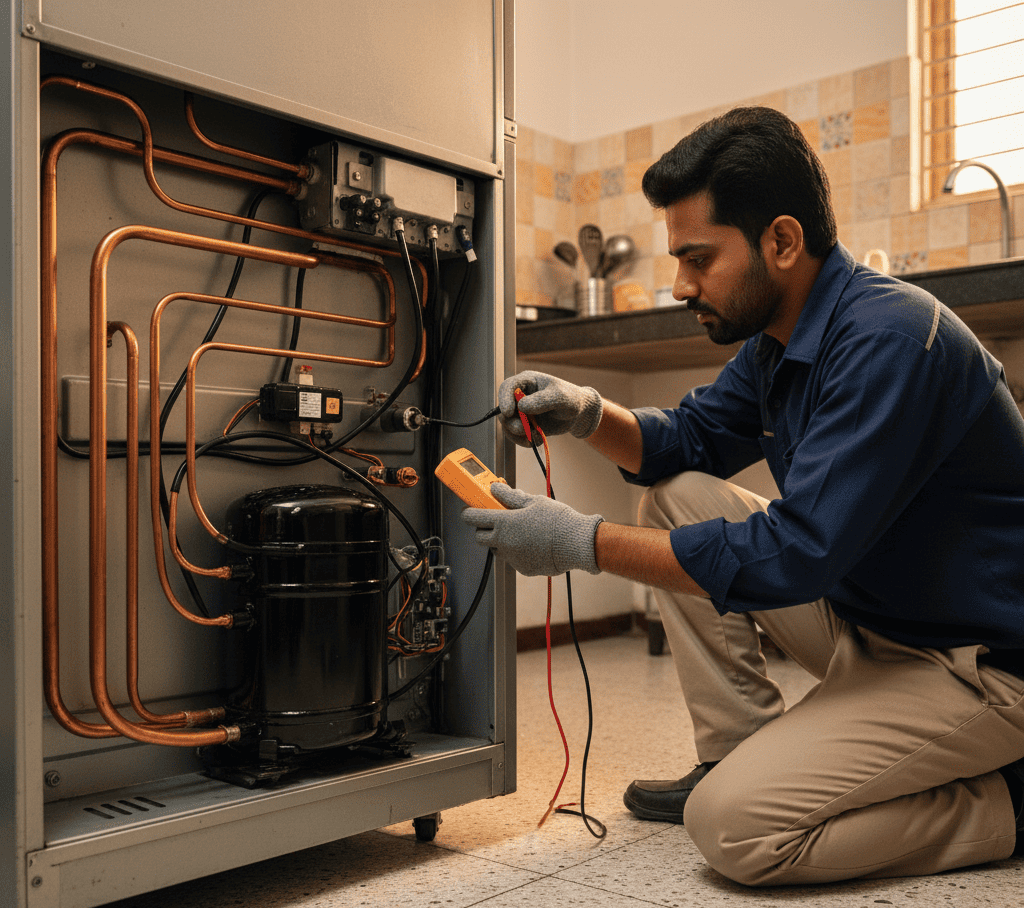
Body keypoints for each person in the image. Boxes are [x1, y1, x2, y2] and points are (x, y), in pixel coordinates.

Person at [463, 106, 1024, 886]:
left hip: (979, 664)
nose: (680, 284)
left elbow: (797, 555)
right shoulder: (780, 340)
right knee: (678, 495)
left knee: (735, 829)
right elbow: (685, 441)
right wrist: (587, 413)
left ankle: (1010, 802)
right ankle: (732, 752)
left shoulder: (889, 339)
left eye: (699, 258)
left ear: (782, 242)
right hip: (875, 622)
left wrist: (583, 544)